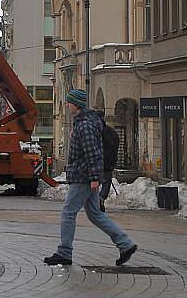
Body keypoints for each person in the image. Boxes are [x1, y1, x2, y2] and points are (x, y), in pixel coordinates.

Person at [44, 89, 138, 267]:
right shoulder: (84, 123)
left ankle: (64, 252)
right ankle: (125, 244)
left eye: (69, 102)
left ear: (76, 104)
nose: (67, 105)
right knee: (95, 214)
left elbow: (93, 153)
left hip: (84, 177)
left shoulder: (85, 125)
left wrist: (95, 178)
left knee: (68, 213)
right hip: (86, 175)